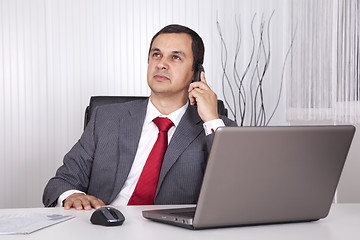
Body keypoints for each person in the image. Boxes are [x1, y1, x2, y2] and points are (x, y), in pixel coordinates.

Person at [43, 24, 237, 210]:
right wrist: (72, 196)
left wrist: (211, 119)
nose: (161, 64)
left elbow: (236, 191)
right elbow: (60, 183)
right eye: (156, 55)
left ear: (196, 72)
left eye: (175, 57)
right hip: (106, 227)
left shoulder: (215, 127)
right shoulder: (106, 119)